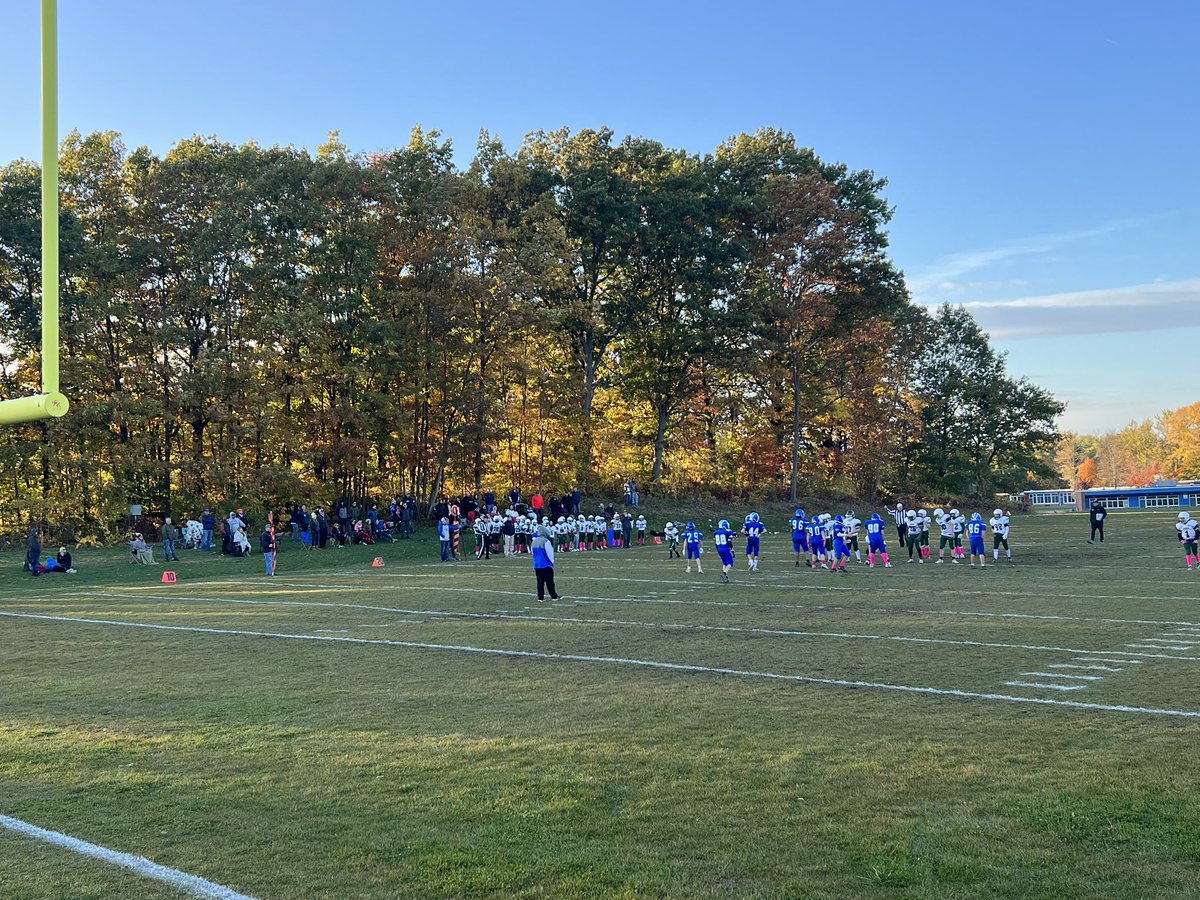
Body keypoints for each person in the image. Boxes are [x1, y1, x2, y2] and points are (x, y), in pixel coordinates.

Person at [531, 523, 562, 602]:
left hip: (537, 564)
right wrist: (552, 562)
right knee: (550, 582)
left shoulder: (534, 541)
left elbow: (533, 553)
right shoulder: (546, 541)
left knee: (540, 582)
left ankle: (540, 597)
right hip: (546, 564)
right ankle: (554, 596)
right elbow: (550, 554)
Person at [714, 518, 736, 583]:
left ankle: (725, 577)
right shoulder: (727, 531)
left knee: (724, 562)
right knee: (730, 562)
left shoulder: (716, 532)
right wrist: (732, 549)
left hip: (719, 548)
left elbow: (716, 543)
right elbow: (729, 541)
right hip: (725, 548)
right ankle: (724, 573)